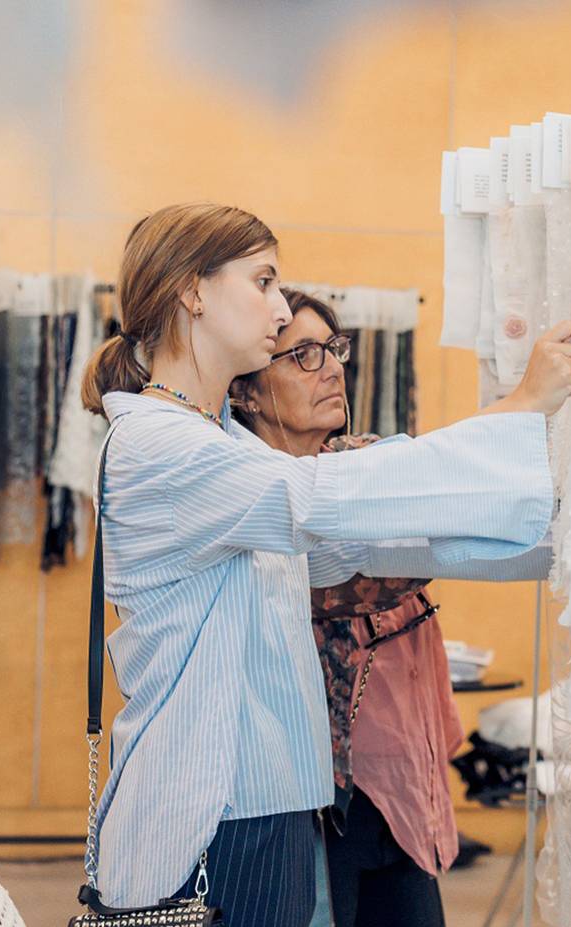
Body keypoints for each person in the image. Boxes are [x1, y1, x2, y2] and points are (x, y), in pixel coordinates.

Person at [80, 203, 571, 926]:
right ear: (193, 290)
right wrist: (519, 407)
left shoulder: (221, 444)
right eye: (262, 280)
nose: (280, 306)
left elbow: (371, 543)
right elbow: (319, 496)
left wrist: (569, 539)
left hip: (264, 803)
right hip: (209, 816)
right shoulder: (156, 445)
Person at [233, 288, 527, 926]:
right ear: (247, 391)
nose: (333, 366)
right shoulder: (249, 494)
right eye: (302, 355)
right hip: (312, 793)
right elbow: (356, 579)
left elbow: (454, 493)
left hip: (403, 777)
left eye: (333, 350)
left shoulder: (363, 462)